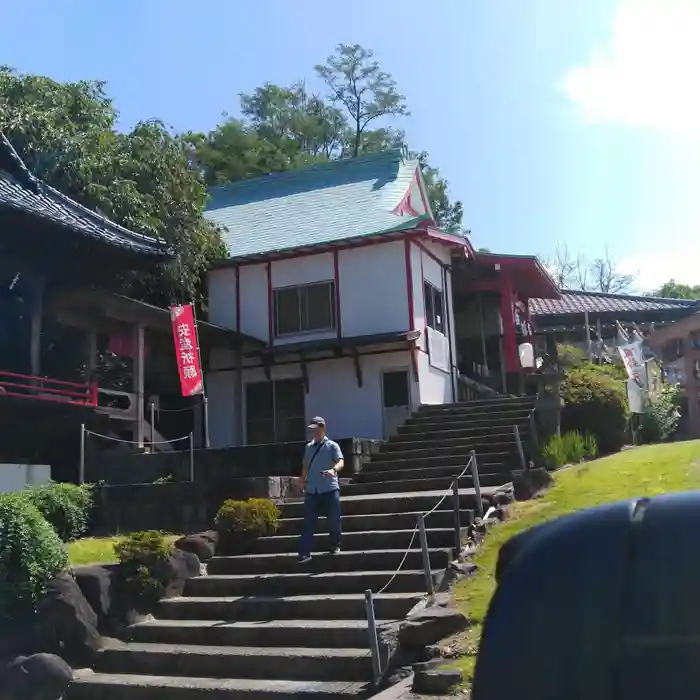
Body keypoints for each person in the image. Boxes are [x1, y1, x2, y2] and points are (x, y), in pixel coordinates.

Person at [298, 416, 344, 564]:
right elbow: (305, 465)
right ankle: (304, 553)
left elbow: (340, 461)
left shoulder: (332, 446)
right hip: (312, 489)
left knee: (334, 519)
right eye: (311, 430)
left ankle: (334, 545)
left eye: (315, 430)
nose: (313, 433)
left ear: (323, 428)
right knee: (308, 522)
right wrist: (302, 480)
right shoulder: (308, 447)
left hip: (329, 488)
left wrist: (333, 470)